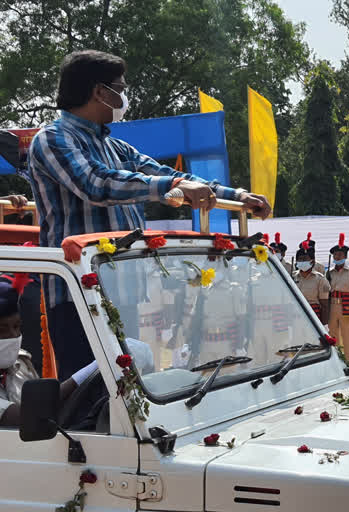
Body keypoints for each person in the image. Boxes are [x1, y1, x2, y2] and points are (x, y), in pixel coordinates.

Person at [28, 50, 271, 380]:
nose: (123, 96)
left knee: (131, 395)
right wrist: (173, 186)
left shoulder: (117, 147)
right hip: (78, 294)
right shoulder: (53, 139)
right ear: (99, 91)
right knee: (92, 403)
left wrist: (239, 196)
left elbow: (169, 175)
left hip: (122, 288)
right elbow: (95, 184)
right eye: (120, 87)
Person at [0, 275, 97, 426]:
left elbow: (45, 406)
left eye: (17, 327)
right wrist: (82, 377)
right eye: (2, 330)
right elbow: (26, 416)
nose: (13, 336)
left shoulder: (21, 364)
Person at [327, 233, 349, 362]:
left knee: (347, 336)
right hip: (333, 306)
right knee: (333, 336)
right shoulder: (329, 272)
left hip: (346, 305)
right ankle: (335, 361)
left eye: (340, 255)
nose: (337, 257)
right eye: (335, 255)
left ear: (345, 256)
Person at [294, 241, 331, 327]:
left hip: (313, 315)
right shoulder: (292, 277)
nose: (302, 261)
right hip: (296, 315)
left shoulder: (320, 279)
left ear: (312, 262)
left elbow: (324, 305)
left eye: (305, 259)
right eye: (300, 259)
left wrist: (325, 325)